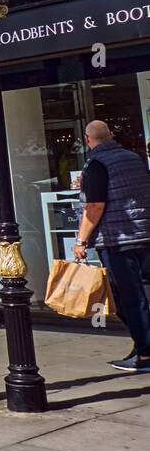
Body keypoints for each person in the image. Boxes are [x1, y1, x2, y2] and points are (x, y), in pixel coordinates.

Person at [75, 120, 150, 373]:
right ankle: (143, 345)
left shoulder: (96, 163)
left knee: (128, 297)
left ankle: (146, 353)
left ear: (88, 139)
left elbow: (94, 207)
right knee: (134, 295)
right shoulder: (132, 157)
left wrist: (80, 241)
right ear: (111, 135)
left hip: (117, 239)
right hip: (144, 234)